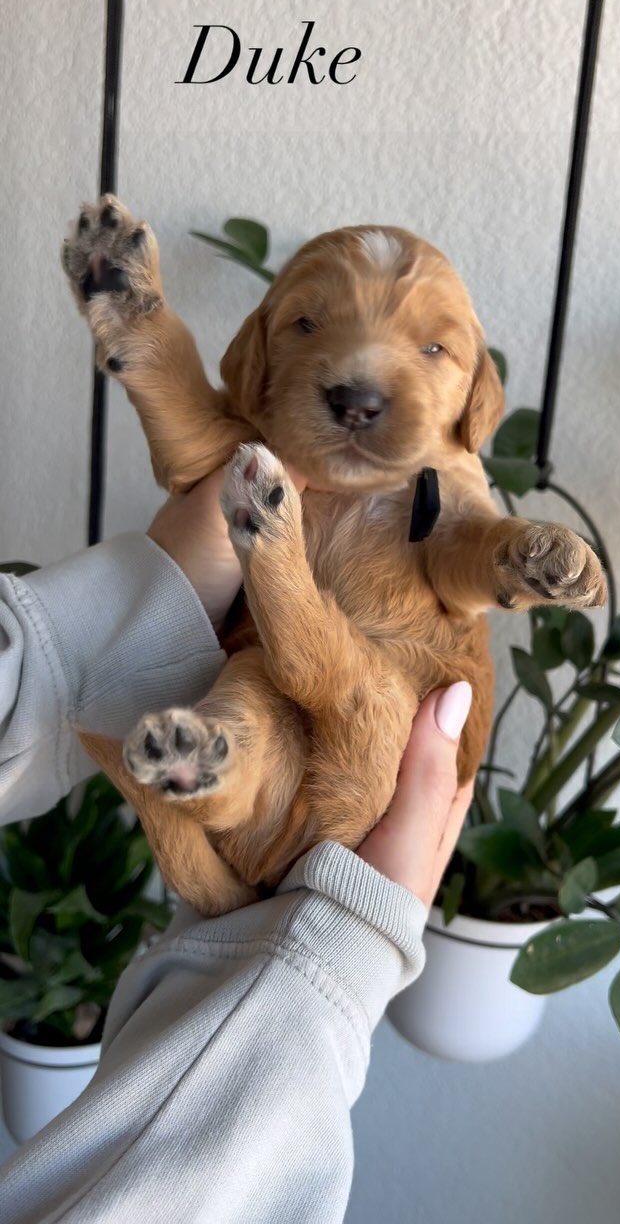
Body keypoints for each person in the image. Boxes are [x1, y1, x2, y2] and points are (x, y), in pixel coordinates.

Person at [0, 470, 473, 1223]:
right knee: (269, 694)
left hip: (332, 806)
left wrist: (115, 625)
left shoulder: (453, 477)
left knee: (278, 700)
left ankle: (207, 772)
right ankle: (210, 771)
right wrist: (329, 967)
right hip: (334, 793)